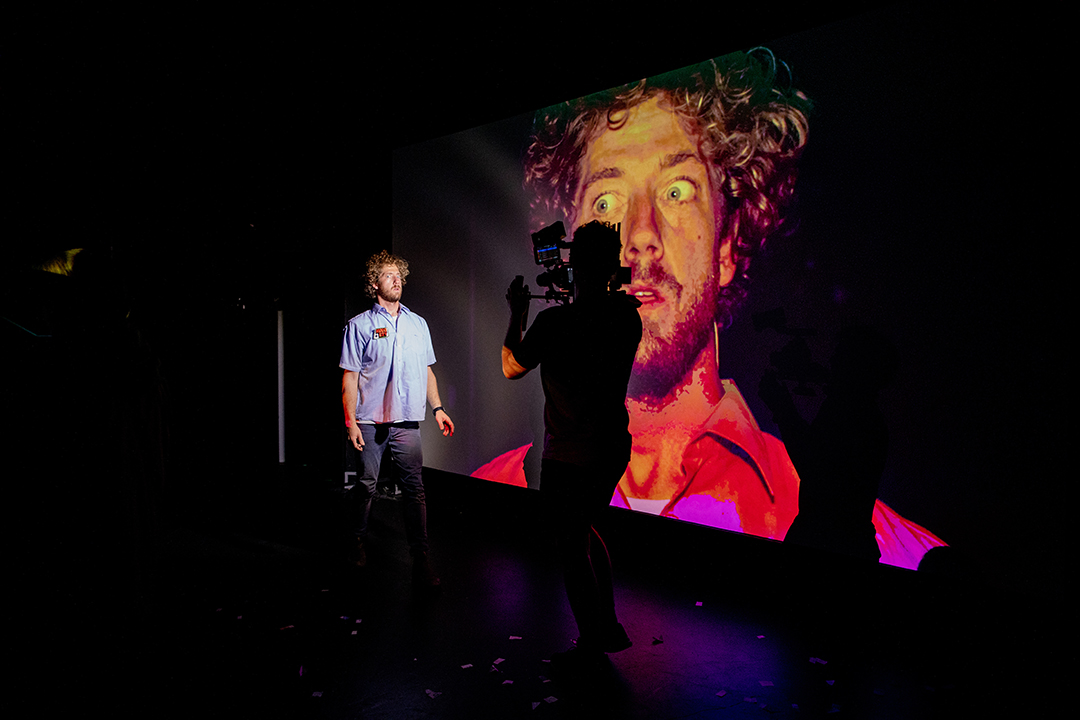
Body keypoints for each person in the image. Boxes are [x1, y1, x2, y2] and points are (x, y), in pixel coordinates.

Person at [474, 49, 945, 570]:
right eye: (606, 203)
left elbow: (519, 361)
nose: (640, 237)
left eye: (677, 191)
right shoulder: (493, 489)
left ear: (726, 247)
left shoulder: (897, 551)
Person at [502, 221, 643, 668]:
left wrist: (517, 314)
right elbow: (596, 320)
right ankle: (609, 625)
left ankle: (592, 642)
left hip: (568, 455)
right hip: (610, 449)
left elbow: (511, 367)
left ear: (572, 262)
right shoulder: (627, 317)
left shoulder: (554, 322)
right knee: (583, 529)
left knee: (570, 546)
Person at [340, 250, 454, 588]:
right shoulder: (359, 325)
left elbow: (428, 371)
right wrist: (350, 421)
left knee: (414, 490)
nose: (397, 280)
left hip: (406, 423)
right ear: (375, 283)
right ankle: (357, 540)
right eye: (389, 275)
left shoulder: (418, 324)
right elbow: (349, 378)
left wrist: (438, 408)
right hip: (370, 421)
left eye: (399, 275)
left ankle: (420, 558)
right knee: (366, 485)